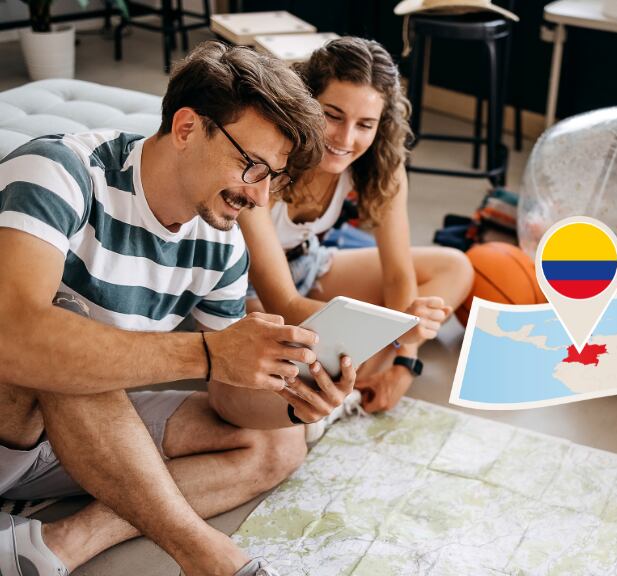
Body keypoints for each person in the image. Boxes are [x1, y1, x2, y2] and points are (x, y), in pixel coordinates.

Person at [0, 41, 355, 576]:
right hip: (12, 416)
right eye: (253, 166)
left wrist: (294, 399)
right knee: (63, 326)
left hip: (77, 442)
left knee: (277, 444)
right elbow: (14, 338)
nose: (260, 199)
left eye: (274, 179)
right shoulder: (58, 171)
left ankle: (59, 544)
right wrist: (209, 353)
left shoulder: (221, 244)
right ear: (187, 127)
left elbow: (231, 399)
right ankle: (206, 555)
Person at [238, 37, 474, 415]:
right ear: (305, 100)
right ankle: (359, 373)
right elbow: (282, 301)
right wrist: (395, 331)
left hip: (309, 263)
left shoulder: (380, 163)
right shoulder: (269, 155)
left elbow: (399, 275)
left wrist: (404, 361)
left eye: (365, 124)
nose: (346, 139)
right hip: (249, 287)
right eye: (332, 115)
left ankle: (371, 375)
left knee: (455, 266)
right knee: (289, 358)